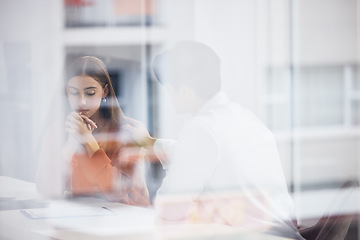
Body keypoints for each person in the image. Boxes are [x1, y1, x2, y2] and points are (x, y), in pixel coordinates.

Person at [124, 41, 306, 238]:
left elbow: (171, 205)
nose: (168, 94)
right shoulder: (241, 117)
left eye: (169, 88)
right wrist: (149, 141)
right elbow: (196, 154)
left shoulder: (202, 129)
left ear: (184, 90)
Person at [36, 56, 150, 206]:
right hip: (84, 218)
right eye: (74, 93)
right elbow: (47, 190)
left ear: (104, 92)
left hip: (126, 218)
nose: (82, 101)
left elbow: (118, 193)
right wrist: (70, 144)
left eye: (90, 93)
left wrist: (89, 142)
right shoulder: (57, 131)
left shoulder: (127, 132)